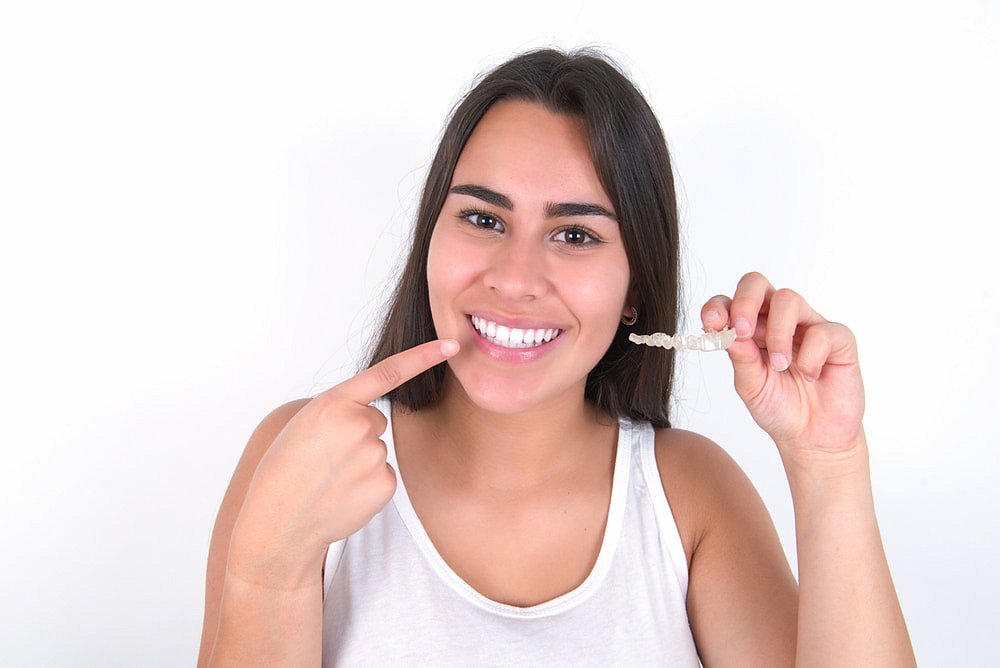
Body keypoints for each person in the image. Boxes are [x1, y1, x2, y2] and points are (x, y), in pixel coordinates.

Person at [198, 48, 916, 666]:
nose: (514, 279)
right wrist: (267, 576)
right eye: (483, 218)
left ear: (636, 288)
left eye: (574, 235)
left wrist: (830, 465)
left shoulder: (691, 498)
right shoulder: (303, 460)